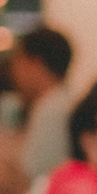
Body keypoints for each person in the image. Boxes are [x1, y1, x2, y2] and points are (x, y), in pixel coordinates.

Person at [12, 26, 76, 182]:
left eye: (18, 61)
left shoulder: (51, 110)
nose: (14, 71)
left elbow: (34, 172)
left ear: (35, 63)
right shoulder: (66, 99)